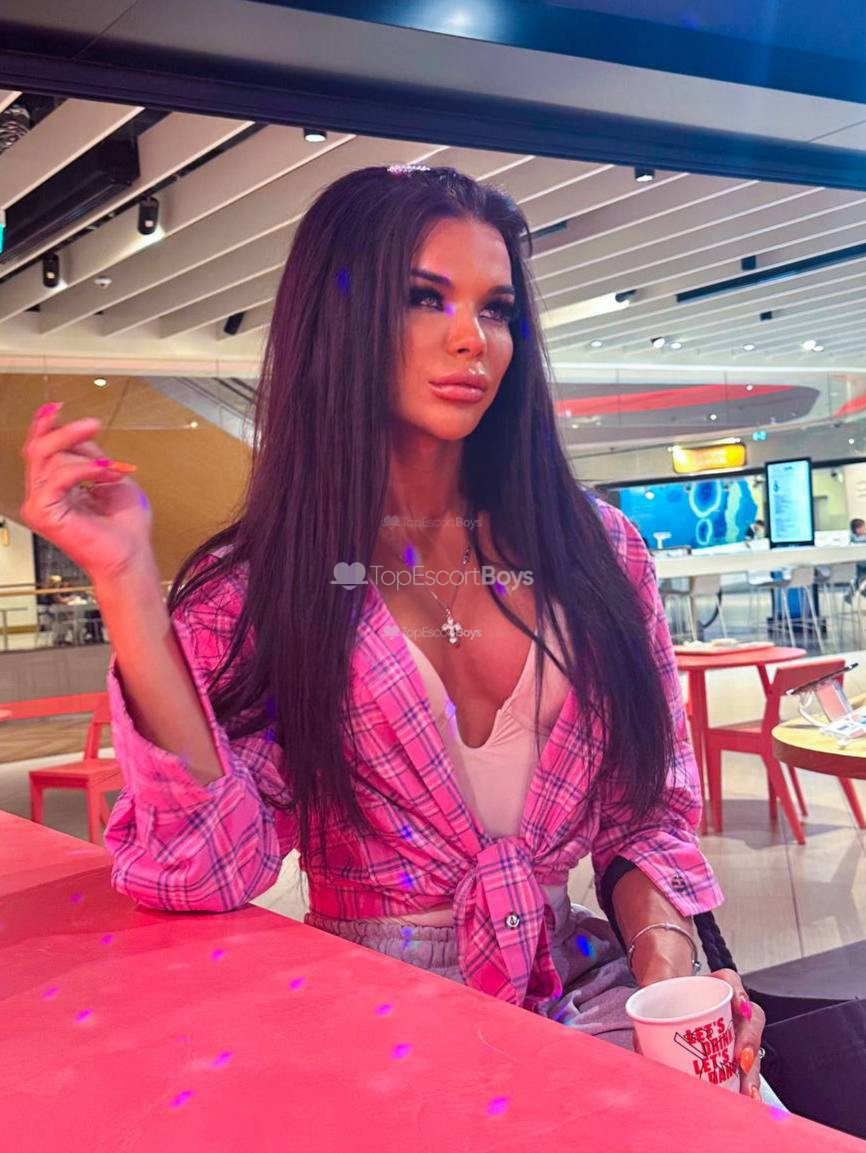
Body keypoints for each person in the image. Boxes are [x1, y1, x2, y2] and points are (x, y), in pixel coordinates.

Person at [19, 165, 770, 1100]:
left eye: (496, 309)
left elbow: (644, 811)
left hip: (588, 995)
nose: (472, 338)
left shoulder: (600, 552)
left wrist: (671, 972)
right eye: (424, 297)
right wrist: (128, 584)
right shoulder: (266, 588)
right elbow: (203, 866)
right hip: (380, 1028)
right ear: (339, 318)